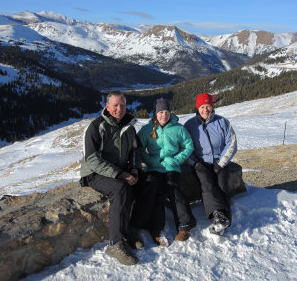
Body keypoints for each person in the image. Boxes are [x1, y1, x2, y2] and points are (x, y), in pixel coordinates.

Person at [80, 91, 145, 266]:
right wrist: (120, 174)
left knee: (145, 182)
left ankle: (126, 231)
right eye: (115, 105)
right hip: (95, 173)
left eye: (122, 105)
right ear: (107, 107)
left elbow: (136, 151)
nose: (119, 109)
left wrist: (135, 170)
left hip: (119, 169)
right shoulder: (97, 127)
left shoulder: (128, 127)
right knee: (121, 188)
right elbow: (92, 159)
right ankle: (115, 243)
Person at [137, 97, 197, 244]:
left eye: (167, 112)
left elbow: (188, 146)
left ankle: (185, 224)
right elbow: (138, 148)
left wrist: (175, 160)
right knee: (155, 191)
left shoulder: (178, 128)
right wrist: (150, 160)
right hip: (153, 167)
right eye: (161, 112)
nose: (164, 115)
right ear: (155, 113)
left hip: (171, 166)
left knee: (174, 189)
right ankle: (157, 229)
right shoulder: (147, 129)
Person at [184, 93, 237, 235]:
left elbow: (231, 143)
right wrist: (194, 163)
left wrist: (221, 164)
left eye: (208, 106)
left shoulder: (222, 122)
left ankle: (221, 221)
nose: (205, 110)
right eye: (202, 107)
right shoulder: (190, 125)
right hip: (201, 163)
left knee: (222, 185)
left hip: (220, 162)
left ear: (212, 107)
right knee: (206, 183)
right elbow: (185, 147)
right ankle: (219, 217)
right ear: (197, 107)